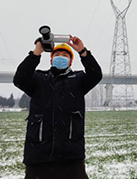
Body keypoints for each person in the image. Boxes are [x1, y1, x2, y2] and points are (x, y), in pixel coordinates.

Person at [13, 35, 102, 179]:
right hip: (38, 153)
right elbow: (19, 79)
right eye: (57, 55)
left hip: (71, 154)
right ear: (51, 59)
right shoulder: (38, 79)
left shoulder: (79, 80)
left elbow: (96, 74)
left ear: (71, 61)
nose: (61, 57)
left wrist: (83, 52)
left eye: (65, 55)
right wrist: (36, 52)